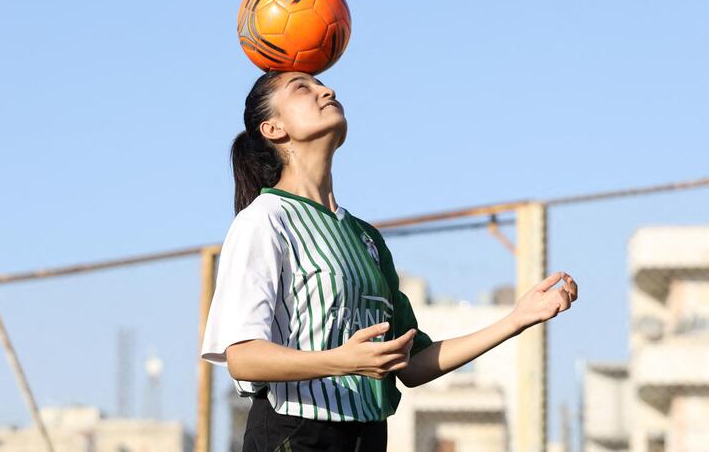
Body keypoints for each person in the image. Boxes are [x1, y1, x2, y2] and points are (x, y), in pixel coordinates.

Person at [199, 70, 579, 451]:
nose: (326, 90)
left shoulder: (366, 238)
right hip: (294, 433)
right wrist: (341, 360)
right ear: (273, 128)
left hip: (369, 435)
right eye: (303, 87)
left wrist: (517, 319)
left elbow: (412, 364)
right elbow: (243, 357)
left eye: (321, 84)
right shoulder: (264, 219)